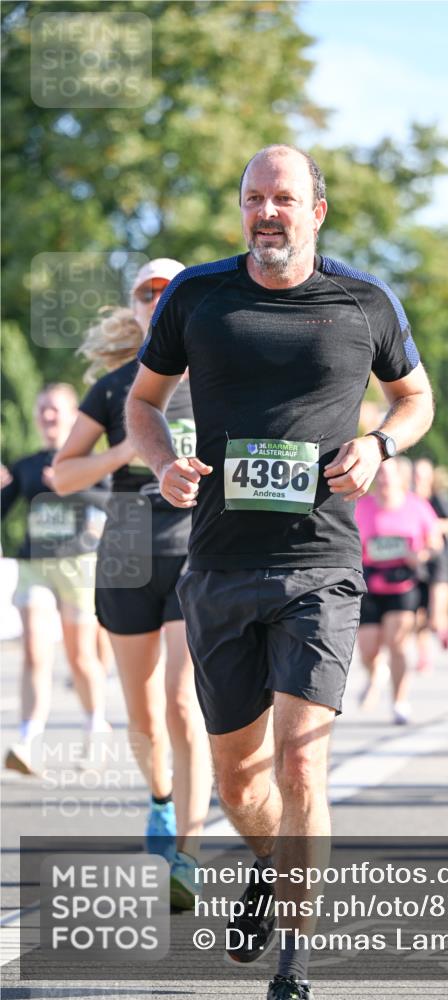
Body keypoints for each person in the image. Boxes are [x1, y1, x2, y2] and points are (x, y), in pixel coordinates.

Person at [124, 144, 434, 1000]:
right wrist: (163, 463)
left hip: (319, 565)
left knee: (301, 764)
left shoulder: (364, 301)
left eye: (284, 198)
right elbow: (144, 401)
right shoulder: (196, 296)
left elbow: (416, 398)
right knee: (239, 781)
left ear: (315, 211)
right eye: (254, 197)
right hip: (219, 565)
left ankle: (294, 967)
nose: (267, 212)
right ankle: (268, 862)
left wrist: (378, 444)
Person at [52, 261, 211, 909]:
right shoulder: (117, 387)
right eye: (148, 291)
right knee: (143, 713)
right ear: (135, 306)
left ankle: (188, 857)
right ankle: (161, 800)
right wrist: (127, 449)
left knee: (180, 702)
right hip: (124, 557)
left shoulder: (219, 374)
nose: (160, 298)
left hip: (194, 552)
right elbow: (62, 475)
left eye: (172, 288)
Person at [1, 383, 109, 775]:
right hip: (35, 565)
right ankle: (28, 741)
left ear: (73, 416)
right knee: (34, 649)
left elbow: (114, 501)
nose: (47, 415)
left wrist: (70, 484)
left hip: (78, 565)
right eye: (42, 408)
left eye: (55, 409)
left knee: (80, 656)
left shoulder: (89, 463)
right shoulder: (26, 465)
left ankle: (96, 732)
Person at [356, 458, 441, 722]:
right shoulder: (362, 506)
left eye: (388, 474)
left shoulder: (417, 506)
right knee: (367, 649)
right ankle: (376, 673)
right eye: (379, 473)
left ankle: (399, 702)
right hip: (370, 581)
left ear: (401, 478)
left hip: (403, 583)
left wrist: (420, 555)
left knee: (398, 643)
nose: (383, 479)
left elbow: (435, 543)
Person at [412, 458, 448, 668]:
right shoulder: (408, 501)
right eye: (416, 475)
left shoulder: (438, 499)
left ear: (431, 478)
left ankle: (443, 630)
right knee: (419, 613)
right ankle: (424, 656)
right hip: (417, 561)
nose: (418, 480)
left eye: (423, 476)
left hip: (440, 561)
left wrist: (433, 526)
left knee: (436, 614)